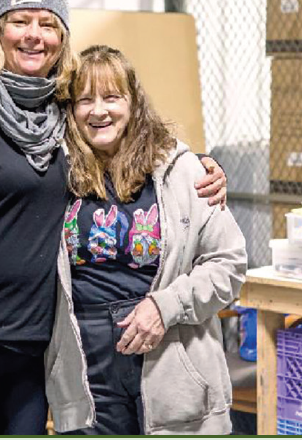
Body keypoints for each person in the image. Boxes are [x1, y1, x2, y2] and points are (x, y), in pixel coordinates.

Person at [0, 0, 228, 435]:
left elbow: (129, 139)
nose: (34, 35)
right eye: (20, 21)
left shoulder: (61, 120)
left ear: (61, 39)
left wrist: (205, 165)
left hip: (34, 351)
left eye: (48, 24)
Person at [45, 45, 247, 435]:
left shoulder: (184, 171)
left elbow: (230, 263)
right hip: (87, 366)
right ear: (70, 110)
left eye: (112, 97)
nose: (98, 110)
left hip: (172, 355)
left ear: (134, 103)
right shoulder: (56, 174)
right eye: (85, 99)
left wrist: (166, 306)